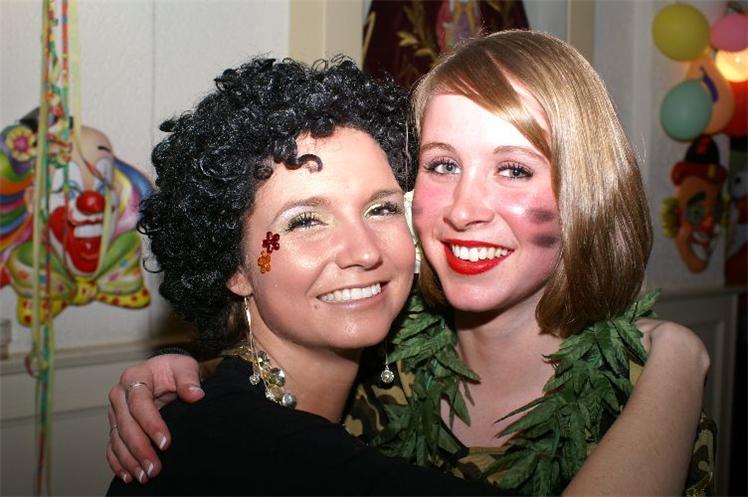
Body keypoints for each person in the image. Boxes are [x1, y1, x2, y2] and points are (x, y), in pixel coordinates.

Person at [107, 31, 713, 496]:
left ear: (587, 190)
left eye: (513, 169)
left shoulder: (643, 405)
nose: (464, 209)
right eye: (443, 165)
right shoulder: (384, 362)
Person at [107, 56, 505, 496]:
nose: (364, 251)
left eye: (381, 209)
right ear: (236, 268)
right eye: (306, 221)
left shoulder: (259, 405)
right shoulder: (242, 447)